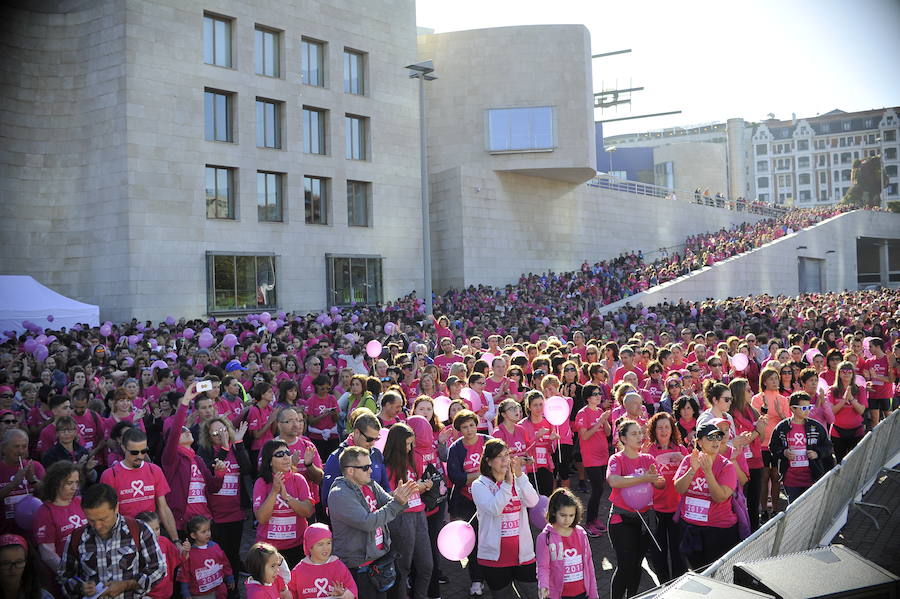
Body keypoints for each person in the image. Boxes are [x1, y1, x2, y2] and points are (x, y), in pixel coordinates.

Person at [327, 445, 417, 599]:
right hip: (359, 568)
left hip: (379, 560)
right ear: (350, 470)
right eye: (366, 467)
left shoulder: (370, 484)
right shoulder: (339, 495)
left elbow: (391, 504)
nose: (371, 470)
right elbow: (368, 522)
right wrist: (397, 502)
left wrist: (402, 498)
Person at [58, 482, 166, 599]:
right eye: (91, 520)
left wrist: (127, 585)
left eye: (103, 519)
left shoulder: (139, 530)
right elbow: (63, 577)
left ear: (116, 508)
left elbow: (158, 569)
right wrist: (79, 587)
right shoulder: (77, 537)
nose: (97, 526)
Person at [472, 439, 540, 599]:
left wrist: (521, 476)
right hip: (494, 559)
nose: (505, 460)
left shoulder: (517, 480)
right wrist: (507, 483)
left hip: (523, 555)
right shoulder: (479, 485)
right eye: (499, 456)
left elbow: (533, 501)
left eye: (507, 455)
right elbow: (495, 509)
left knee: (534, 595)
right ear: (488, 461)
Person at [606, 419, 665, 599]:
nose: (639, 436)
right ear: (623, 438)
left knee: (637, 563)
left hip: (645, 519)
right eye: (634, 433)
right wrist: (643, 479)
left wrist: (656, 480)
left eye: (640, 432)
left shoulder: (648, 459)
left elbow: (661, 484)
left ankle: (632, 596)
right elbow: (614, 481)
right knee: (625, 565)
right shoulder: (616, 459)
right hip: (621, 520)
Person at [673, 423, 740, 570]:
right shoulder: (689, 460)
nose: (716, 441)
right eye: (710, 437)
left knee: (717, 576)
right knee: (696, 575)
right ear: (699, 442)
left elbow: (721, 497)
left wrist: (708, 472)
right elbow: (679, 488)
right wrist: (693, 469)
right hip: (690, 529)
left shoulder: (726, 466)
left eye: (718, 437)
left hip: (718, 531)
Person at [99, 425, 178, 540]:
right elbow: (107, 513)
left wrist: (176, 540)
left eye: (143, 451)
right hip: (125, 537)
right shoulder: (110, 475)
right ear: (123, 447)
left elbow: (164, 508)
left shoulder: (154, 470)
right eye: (134, 452)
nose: (140, 456)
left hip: (152, 534)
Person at [162, 383, 222, 534]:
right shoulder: (171, 459)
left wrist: (220, 474)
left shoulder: (198, 460)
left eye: (187, 429)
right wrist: (185, 403)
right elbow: (175, 432)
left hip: (205, 521)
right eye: (182, 431)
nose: (186, 431)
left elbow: (213, 487)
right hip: (185, 524)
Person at [382, 423, 433, 599]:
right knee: (402, 568)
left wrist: (425, 486)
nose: (410, 448)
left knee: (426, 565)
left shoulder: (413, 459)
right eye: (406, 444)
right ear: (396, 443)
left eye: (412, 443)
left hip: (419, 514)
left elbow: (417, 483)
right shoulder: (386, 465)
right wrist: (411, 489)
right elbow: (387, 496)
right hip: (400, 518)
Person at [446, 409, 490, 596]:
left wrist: (471, 476)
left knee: (492, 539)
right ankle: (477, 580)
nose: (470, 430)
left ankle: (497, 576)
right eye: (465, 427)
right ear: (459, 430)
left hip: (491, 499)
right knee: (474, 541)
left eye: (472, 425)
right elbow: (456, 477)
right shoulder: (455, 449)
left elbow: (500, 465)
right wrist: (480, 474)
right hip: (467, 500)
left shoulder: (488, 441)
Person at [252, 439, 314, 567]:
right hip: (269, 549)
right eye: (280, 455)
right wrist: (274, 492)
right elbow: (262, 519)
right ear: (269, 461)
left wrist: (287, 498)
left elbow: (308, 511)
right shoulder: (261, 482)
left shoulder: (298, 479)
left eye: (287, 453)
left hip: (296, 546)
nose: (286, 457)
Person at [644, 412, 689, 583]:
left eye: (667, 427)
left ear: (673, 429)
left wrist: (684, 459)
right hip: (655, 510)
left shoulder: (681, 450)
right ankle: (663, 586)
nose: (663, 431)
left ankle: (679, 586)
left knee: (679, 553)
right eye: (659, 427)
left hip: (677, 509)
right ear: (654, 430)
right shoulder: (647, 451)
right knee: (659, 553)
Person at [769, 392, 834, 503]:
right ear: (793, 409)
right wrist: (784, 452)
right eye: (804, 408)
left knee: (811, 509)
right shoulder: (782, 427)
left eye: (809, 407)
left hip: (812, 477)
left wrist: (817, 453)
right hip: (790, 479)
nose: (808, 410)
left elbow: (828, 447)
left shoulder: (816, 427)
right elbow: (773, 447)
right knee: (794, 510)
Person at [536, 488, 599, 599]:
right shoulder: (545, 538)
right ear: (554, 512)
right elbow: (543, 566)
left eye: (571, 515)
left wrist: (593, 593)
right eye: (563, 515)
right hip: (559, 595)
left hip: (582, 594)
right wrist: (543, 585)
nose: (567, 520)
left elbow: (589, 565)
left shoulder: (581, 534)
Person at [322, 411, 391, 506]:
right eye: (369, 439)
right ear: (357, 432)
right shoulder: (337, 457)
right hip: (350, 517)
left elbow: (386, 488)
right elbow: (328, 498)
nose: (373, 443)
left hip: (377, 517)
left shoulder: (377, 454)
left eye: (376, 439)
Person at [32, 461, 86, 576]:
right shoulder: (45, 512)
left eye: (77, 482)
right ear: (55, 483)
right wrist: (70, 575)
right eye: (69, 483)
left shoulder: (80, 502)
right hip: (65, 576)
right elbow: (48, 554)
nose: (74, 488)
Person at [573, 383, 611, 537]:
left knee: (600, 489)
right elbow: (584, 436)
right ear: (588, 397)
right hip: (590, 456)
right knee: (596, 490)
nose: (598, 396)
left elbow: (608, 433)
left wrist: (605, 421)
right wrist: (599, 422)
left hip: (603, 455)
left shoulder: (600, 411)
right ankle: (588, 522)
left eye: (599, 393)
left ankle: (595, 519)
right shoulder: (582, 413)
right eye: (595, 394)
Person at [288, 524, 356, 599]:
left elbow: (352, 590)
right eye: (320, 544)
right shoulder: (299, 570)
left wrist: (343, 595)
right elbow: (290, 593)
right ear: (310, 548)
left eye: (328, 543)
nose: (325, 548)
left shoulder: (338, 566)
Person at [177, 515, 234, 599]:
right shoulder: (190, 554)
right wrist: (185, 592)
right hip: (200, 595)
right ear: (193, 535)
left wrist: (229, 577)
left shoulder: (215, 546)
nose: (208, 534)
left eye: (208, 530)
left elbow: (225, 563)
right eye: (203, 532)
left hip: (219, 590)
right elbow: (184, 573)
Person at [0, 428, 45, 535]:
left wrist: (33, 480)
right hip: (5, 531)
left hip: (34, 530)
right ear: (4, 448)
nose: (20, 451)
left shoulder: (35, 466)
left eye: (24, 446)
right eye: (16, 446)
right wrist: (13, 484)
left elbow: (49, 496)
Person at [135, 511, 182, 599]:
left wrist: (185, 553)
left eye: (157, 529)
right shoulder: (136, 549)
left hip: (167, 592)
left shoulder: (164, 541)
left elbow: (177, 559)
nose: (154, 533)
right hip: (148, 595)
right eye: (150, 530)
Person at [829, 361, 868, 462]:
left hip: (856, 431)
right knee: (839, 461)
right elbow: (832, 411)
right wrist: (843, 400)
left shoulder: (860, 390)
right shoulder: (832, 390)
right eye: (843, 371)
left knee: (856, 461)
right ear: (839, 373)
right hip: (837, 431)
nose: (846, 374)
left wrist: (851, 399)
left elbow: (861, 410)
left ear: (853, 374)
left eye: (849, 372)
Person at [0, 533, 52, 599]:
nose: (13, 569)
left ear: (27, 563)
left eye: (19, 562)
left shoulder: (43, 596)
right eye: (6, 563)